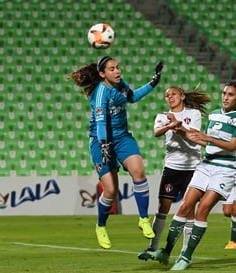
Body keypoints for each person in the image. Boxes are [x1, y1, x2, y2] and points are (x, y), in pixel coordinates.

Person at [146, 81, 236, 270]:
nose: (225, 97)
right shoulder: (213, 114)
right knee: (185, 207)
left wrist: (208, 138)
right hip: (205, 166)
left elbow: (231, 146)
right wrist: (185, 132)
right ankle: (166, 250)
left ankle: (186, 257)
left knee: (202, 210)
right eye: (224, 93)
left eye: (230, 95)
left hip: (225, 171)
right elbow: (203, 142)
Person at [66, 56, 163, 249]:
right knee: (110, 190)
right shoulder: (101, 93)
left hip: (122, 138)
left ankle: (143, 218)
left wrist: (153, 83)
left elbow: (133, 97)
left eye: (118, 67)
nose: (117, 71)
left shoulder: (121, 84)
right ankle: (101, 226)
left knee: (139, 171)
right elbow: (101, 123)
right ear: (102, 74)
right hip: (100, 140)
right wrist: (103, 145)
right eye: (112, 69)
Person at [137, 86, 211, 260]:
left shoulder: (193, 114)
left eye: (173, 94)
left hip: (192, 167)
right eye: (167, 95)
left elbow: (194, 135)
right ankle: (152, 247)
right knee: (163, 207)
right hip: (171, 167)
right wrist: (170, 124)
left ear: (182, 96)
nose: (170, 97)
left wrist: (179, 125)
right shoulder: (163, 116)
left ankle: (185, 252)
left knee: (189, 209)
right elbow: (157, 132)